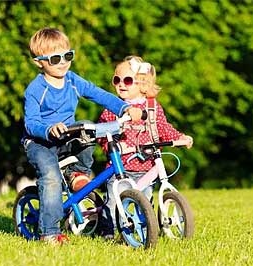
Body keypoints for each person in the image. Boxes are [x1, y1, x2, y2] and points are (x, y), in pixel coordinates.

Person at [22, 28, 142, 244]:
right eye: (55, 58)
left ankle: (77, 172)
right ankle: (49, 232)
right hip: (39, 142)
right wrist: (48, 130)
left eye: (68, 56)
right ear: (39, 62)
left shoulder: (72, 80)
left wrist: (124, 108)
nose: (63, 63)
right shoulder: (35, 89)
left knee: (88, 126)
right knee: (51, 178)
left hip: (66, 135)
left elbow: (99, 94)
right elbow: (31, 123)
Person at [98, 56, 193, 239]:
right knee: (113, 201)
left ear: (142, 83)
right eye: (116, 80)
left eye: (127, 80)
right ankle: (107, 231)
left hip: (146, 167)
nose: (121, 84)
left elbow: (163, 128)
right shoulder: (113, 108)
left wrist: (180, 137)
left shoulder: (152, 107)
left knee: (145, 201)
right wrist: (114, 146)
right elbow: (102, 134)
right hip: (120, 169)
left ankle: (141, 230)